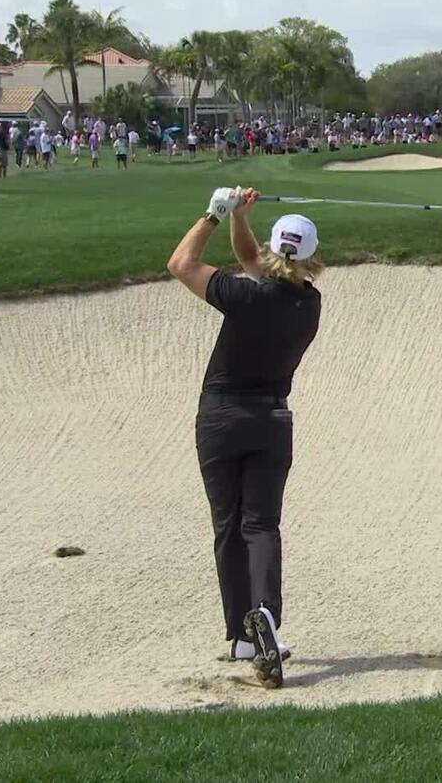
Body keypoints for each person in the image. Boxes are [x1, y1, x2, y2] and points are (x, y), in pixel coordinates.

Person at [165, 186, 324, 689]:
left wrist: (214, 212)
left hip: (220, 419)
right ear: (312, 258)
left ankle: (241, 632)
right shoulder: (309, 303)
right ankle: (265, 621)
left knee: (227, 526)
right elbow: (253, 260)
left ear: (275, 251)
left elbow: (181, 263)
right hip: (272, 423)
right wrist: (241, 216)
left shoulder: (243, 295)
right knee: (261, 526)